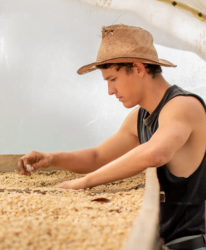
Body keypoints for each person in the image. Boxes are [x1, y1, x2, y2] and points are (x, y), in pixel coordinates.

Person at [17, 24, 206, 250]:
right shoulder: (139, 117)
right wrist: (52, 158)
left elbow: (156, 153)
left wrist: (83, 183)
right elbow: (98, 156)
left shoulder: (182, 106)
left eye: (112, 79)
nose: (110, 91)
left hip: (190, 244)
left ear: (137, 68)